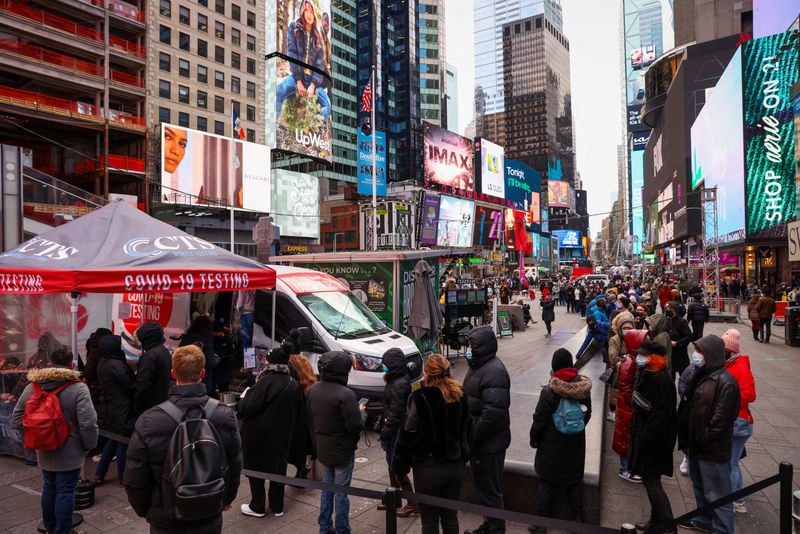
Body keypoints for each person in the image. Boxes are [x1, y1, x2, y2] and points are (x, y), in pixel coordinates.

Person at [124, 344, 241, 533]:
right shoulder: (224, 414)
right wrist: (226, 499)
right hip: (209, 509)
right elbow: (234, 463)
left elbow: (135, 476)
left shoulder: (149, 420)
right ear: (202, 373)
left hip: (167, 518)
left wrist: (148, 510)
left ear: (173, 373)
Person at [12, 348, 98, 534]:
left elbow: (16, 420)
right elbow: (89, 424)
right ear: (72, 365)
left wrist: (36, 436)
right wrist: (89, 446)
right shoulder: (79, 388)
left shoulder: (32, 387)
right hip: (71, 452)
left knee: (49, 487)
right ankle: (63, 531)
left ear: (49, 363)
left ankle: (50, 527)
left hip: (43, 451)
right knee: (66, 491)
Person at [392, 354, 472, 534]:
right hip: (455, 467)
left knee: (429, 522)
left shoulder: (420, 397)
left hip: (428, 469)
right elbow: (468, 429)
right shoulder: (460, 393)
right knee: (450, 517)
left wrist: (399, 466)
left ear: (427, 373)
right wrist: (464, 454)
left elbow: (408, 434)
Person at [677, 335, 740, 533]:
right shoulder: (701, 373)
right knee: (699, 487)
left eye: (701, 351)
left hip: (711, 449)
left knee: (718, 495)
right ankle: (703, 521)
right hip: (695, 444)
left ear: (711, 354)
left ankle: (722, 529)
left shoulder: (726, 382)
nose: (696, 355)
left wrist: (703, 438)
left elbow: (720, 422)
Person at [529, 349, 592, 531]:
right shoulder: (583, 389)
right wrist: (574, 430)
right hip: (576, 444)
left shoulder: (549, 391)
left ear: (554, 366)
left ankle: (541, 524)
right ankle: (577, 519)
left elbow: (539, 421)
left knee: (546, 481)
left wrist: (535, 440)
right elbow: (587, 415)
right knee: (574, 481)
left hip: (551, 445)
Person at [238, 346, 303, 518]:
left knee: (255, 469)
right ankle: (277, 506)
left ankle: (257, 506)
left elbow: (246, 407)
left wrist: (245, 396)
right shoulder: (292, 382)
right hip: (281, 435)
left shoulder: (265, 381)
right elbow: (298, 410)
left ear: (271, 362)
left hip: (258, 435)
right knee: (278, 469)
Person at [308, 351, 366, 534]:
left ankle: (324, 527)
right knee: (341, 493)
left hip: (324, 446)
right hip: (342, 449)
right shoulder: (345, 394)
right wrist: (362, 412)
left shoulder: (314, 389)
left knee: (327, 488)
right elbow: (355, 425)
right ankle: (343, 529)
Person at [463, 326, 511, 534]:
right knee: (484, 489)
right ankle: (490, 525)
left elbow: (493, 412)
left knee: (490, 491)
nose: (468, 348)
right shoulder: (478, 365)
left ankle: (495, 529)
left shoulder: (494, 371)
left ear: (482, 346)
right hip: (482, 441)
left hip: (488, 443)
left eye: (471, 345)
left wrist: (473, 436)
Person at [627, 340, 678, 532]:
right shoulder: (650, 375)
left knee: (651, 482)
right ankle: (656, 521)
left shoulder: (660, 380)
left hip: (654, 442)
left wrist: (646, 440)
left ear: (655, 358)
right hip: (648, 437)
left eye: (644, 355)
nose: (640, 358)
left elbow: (661, 417)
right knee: (651, 480)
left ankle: (669, 526)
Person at [378, 348, 419, 517]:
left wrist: (384, 433)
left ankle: (412, 503)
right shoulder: (395, 379)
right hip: (394, 430)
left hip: (397, 432)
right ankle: (393, 499)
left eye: (386, 364)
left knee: (397, 466)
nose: (383, 367)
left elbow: (396, 414)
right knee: (391, 464)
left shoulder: (399, 383)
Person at [277, 0, 331, 119]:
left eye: (311, 11)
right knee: (278, 92)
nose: (309, 13)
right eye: (307, 10)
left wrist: (313, 86)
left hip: (312, 81)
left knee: (328, 107)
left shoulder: (318, 37)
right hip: (298, 78)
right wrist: (299, 82)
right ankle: (276, 123)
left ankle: (312, 119)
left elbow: (319, 65)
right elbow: (292, 54)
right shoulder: (293, 27)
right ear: (302, 11)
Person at [721, 329, 756, 515]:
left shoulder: (740, 367)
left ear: (731, 351)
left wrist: (729, 397)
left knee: (731, 463)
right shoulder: (732, 365)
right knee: (732, 462)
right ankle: (736, 499)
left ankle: (734, 500)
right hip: (736, 419)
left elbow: (750, 395)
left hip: (738, 421)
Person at [94, 335, 134, 485]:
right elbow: (128, 385)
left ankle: (99, 473)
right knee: (123, 441)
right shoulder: (116, 365)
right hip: (121, 407)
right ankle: (124, 478)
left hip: (110, 407)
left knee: (113, 439)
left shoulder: (102, 362)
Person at [613, 330, 648, 483]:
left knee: (629, 438)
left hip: (628, 409)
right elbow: (627, 392)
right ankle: (624, 469)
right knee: (625, 438)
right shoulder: (629, 364)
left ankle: (631, 467)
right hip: (627, 409)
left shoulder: (633, 359)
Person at [287, 352, 317, 480]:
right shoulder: (309, 383)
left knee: (296, 448)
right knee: (302, 448)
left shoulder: (293, 385)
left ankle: (301, 469)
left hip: (297, 422)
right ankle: (302, 470)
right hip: (307, 423)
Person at [133, 322, 172, 416]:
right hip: (162, 401)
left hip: (150, 405)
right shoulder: (164, 350)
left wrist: (135, 405)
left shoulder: (149, 356)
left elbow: (142, 385)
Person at [179, 315, 220, 396]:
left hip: (185, 381)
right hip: (202, 383)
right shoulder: (207, 342)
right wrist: (217, 358)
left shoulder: (186, 338)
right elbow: (210, 362)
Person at [607, 311, 634, 423]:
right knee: (615, 392)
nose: (626, 330)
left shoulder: (635, 337)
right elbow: (613, 358)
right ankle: (612, 412)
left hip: (632, 372)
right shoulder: (615, 340)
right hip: (618, 371)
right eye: (624, 328)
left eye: (629, 328)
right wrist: (627, 359)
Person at [665, 302, 693, 379]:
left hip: (680, 353)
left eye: (670, 309)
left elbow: (689, 336)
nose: (668, 310)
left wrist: (677, 343)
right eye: (666, 309)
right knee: (670, 378)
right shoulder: (664, 321)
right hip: (669, 354)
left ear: (675, 310)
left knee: (684, 377)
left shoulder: (682, 321)